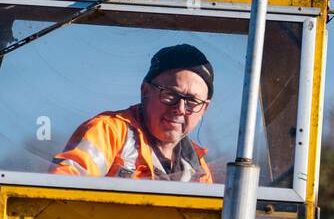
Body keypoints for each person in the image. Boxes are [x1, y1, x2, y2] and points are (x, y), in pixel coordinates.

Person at [50, 44, 214, 183]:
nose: (180, 108)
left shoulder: (197, 167)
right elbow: (61, 188)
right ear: (145, 91)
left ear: (205, 108)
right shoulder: (109, 133)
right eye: (170, 94)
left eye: (192, 101)